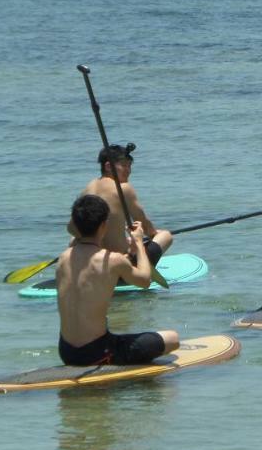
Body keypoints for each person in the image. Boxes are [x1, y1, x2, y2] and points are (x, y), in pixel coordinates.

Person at [57, 194, 180, 366]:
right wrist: (138, 243)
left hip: (66, 352)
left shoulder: (64, 258)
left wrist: (127, 253)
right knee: (173, 338)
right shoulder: (114, 261)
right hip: (96, 353)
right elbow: (145, 280)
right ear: (103, 226)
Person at [71, 142, 172, 268]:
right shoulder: (123, 188)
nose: (128, 171)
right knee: (165, 235)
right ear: (108, 166)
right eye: (124, 165)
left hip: (90, 264)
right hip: (118, 266)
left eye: (130, 166)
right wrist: (153, 235)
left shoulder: (87, 189)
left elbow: (72, 228)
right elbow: (147, 228)